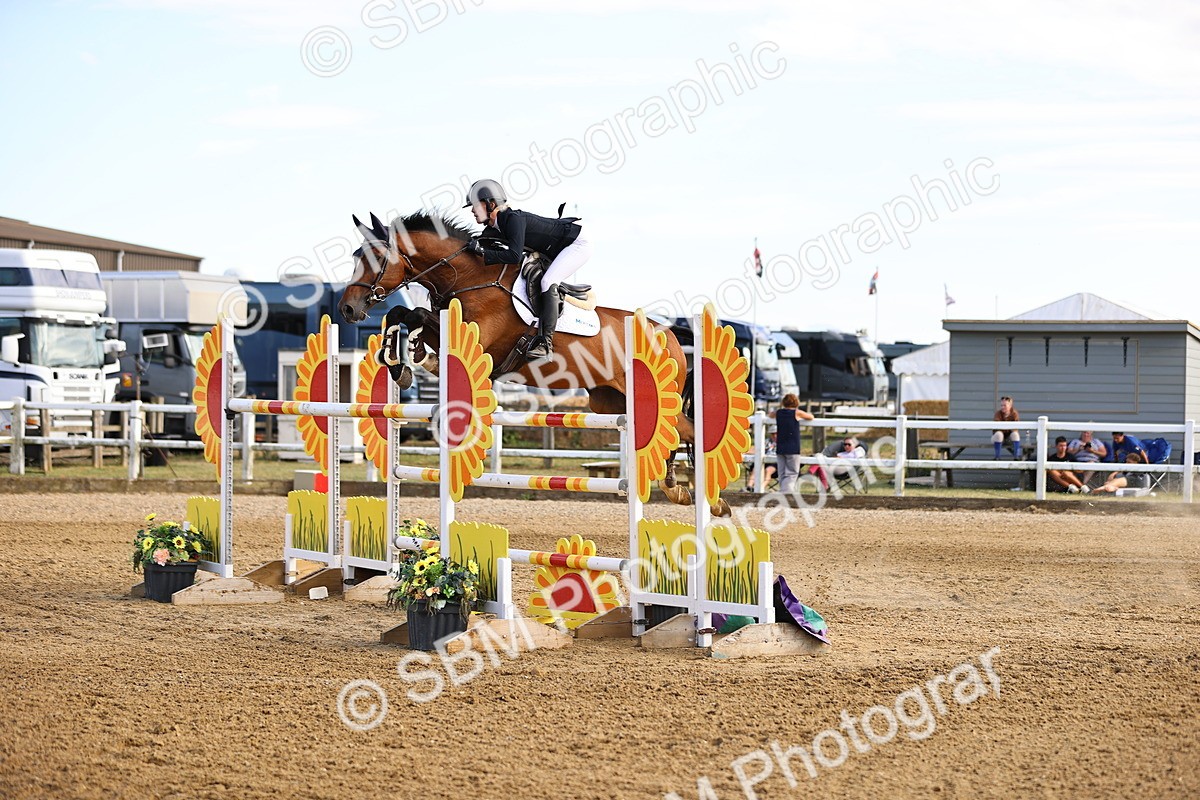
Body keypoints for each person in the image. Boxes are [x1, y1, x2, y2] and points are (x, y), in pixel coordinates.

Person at [463, 179, 589, 360]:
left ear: (491, 204)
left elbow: (514, 256)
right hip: (559, 247)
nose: (472, 210)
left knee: (548, 281)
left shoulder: (512, 219)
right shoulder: (496, 226)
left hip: (578, 244)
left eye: (476, 205)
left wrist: (482, 252)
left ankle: (545, 343)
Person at [769, 393, 814, 494]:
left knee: (782, 472)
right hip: (793, 447)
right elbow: (811, 417)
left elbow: (770, 415)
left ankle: (783, 490)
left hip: (780, 446)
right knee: (792, 472)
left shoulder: (778, 413)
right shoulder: (796, 413)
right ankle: (786, 491)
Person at [992, 395, 1021, 460]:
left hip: (1009, 438)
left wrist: (1008, 429)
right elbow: (997, 428)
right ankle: (997, 457)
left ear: (1010, 405)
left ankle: (1017, 457)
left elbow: (1015, 428)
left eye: (1005, 405)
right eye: (1001, 405)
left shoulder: (1014, 414)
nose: (1002, 407)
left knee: (1015, 434)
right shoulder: (998, 414)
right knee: (999, 434)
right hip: (997, 438)